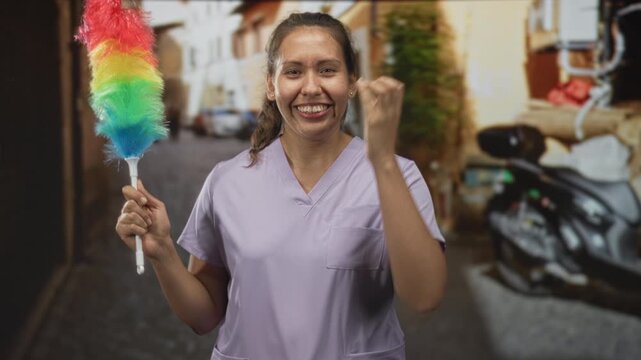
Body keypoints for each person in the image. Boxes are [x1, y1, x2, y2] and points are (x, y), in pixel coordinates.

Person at [116, 12, 446, 360]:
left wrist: (382, 163)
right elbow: (205, 315)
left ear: (351, 81)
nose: (311, 86)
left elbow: (426, 295)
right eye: (293, 71)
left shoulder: (398, 176)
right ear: (272, 86)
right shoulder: (228, 182)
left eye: (327, 69)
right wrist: (163, 253)